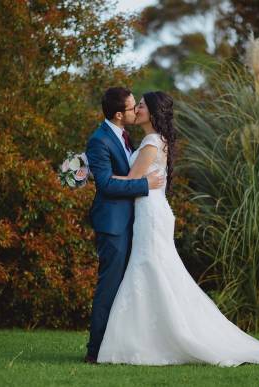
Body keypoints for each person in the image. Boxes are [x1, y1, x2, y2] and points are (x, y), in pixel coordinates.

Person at [95, 91, 259, 367]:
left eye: (141, 106)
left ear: (154, 113)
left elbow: (130, 181)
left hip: (151, 213)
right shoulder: (153, 141)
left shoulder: (150, 142)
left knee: (151, 269)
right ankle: (153, 337)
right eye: (136, 106)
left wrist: (96, 177)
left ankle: (158, 339)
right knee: (158, 271)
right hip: (152, 211)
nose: (137, 110)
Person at [84, 87, 165, 363]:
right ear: (119, 115)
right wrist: (145, 184)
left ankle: (120, 346)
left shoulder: (126, 135)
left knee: (128, 287)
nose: (137, 110)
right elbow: (105, 184)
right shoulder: (100, 140)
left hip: (133, 222)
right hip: (113, 225)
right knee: (109, 287)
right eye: (132, 107)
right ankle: (95, 351)